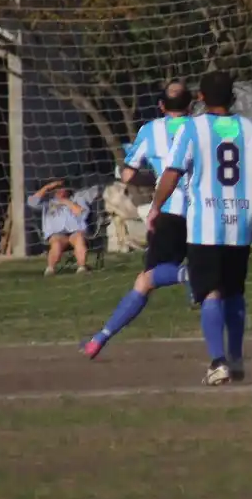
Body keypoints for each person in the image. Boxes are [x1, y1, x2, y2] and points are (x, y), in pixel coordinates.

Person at [151, 70, 252, 385]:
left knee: (210, 291)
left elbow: (172, 173)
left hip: (206, 223)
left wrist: (156, 206)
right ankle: (235, 358)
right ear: (233, 97)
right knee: (235, 291)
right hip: (242, 220)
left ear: (201, 98)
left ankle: (218, 361)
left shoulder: (193, 129)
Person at [81, 80, 194, 360]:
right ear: (191, 105)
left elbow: (128, 175)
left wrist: (154, 179)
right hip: (207, 211)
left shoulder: (150, 130)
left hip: (170, 212)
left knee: (146, 280)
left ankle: (100, 338)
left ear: (160, 106)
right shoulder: (203, 128)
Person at [27, 180, 96, 275]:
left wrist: (67, 203)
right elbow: (31, 202)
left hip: (75, 232)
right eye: (57, 189)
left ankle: (82, 267)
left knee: (79, 239)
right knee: (56, 243)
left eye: (63, 188)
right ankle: (50, 269)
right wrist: (47, 187)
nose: (60, 191)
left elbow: (81, 213)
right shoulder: (48, 203)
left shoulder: (77, 199)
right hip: (57, 234)